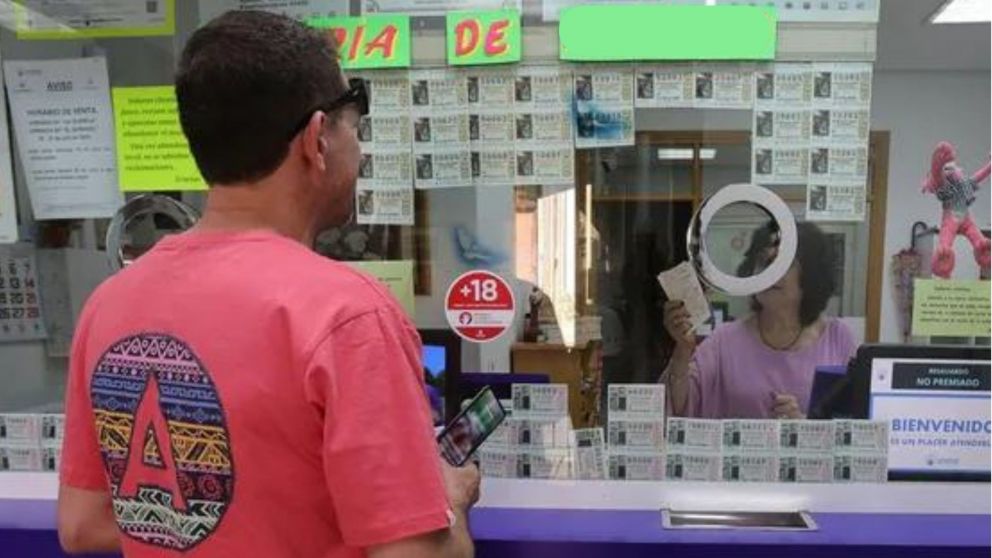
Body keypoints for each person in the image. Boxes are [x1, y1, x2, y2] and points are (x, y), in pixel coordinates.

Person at [57, 11, 479, 558]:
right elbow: (415, 555)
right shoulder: (347, 316)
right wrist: (451, 500)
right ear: (316, 139)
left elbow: (83, 524)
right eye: (354, 126)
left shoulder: (111, 305)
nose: (359, 148)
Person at [661, 222, 856, 419]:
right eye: (763, 262)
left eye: (781, 264)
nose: (768, 274)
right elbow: (678, 408)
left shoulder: (838, 338)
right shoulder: (724, 340)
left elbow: (854, 420)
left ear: (811, 275)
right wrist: (683, 350)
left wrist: (804, 424)